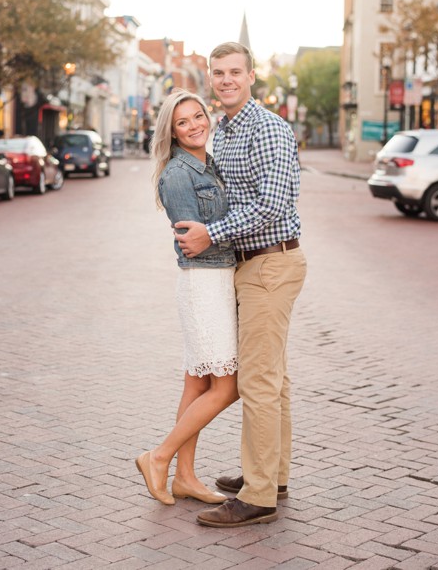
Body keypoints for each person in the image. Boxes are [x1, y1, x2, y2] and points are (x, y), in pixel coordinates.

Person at [174, 41, 307, 528]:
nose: (226, 80)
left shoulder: (268, 128)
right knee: (275, 377)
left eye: (235, 72)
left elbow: (271, 206)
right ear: (211, 78)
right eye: (218, 73)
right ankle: (272, 474)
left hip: (272, 263)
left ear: (252, 76)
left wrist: (213, 232)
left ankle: (258, 496)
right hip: (247, 265)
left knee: (258, 380)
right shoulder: (224, 131)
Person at [135, 89, 239, 506]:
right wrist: (235, 232)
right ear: (172, 132)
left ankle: (186, 477)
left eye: (199, 116)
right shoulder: (178, 173)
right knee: (227, 387)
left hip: (218, 281)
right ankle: (158, 457)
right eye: (183, 122)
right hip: (204, 284)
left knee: (196, 385)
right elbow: (191, 243)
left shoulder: (208, 163)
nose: (195, 125)